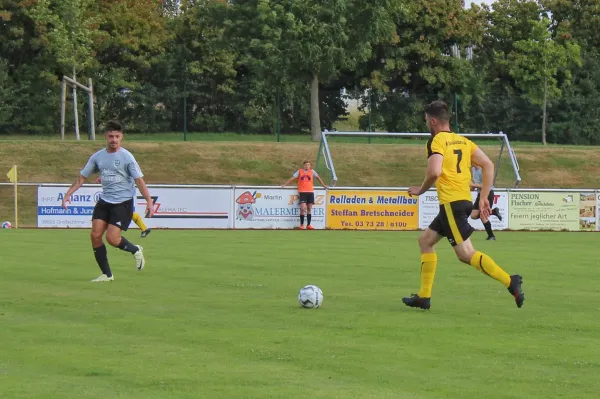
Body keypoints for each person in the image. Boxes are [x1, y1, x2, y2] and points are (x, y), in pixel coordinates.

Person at [404, 100, 524, 310]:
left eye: (426, 121)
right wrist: (484, 196)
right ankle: (424, 297)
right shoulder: (463, 141)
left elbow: (434, 172)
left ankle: (509, 281)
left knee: (466, 254)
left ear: (433, 121)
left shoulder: (436, 141)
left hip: (451, 203)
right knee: (425, 241)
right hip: (461, 202)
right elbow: (488, 164)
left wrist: (420, 190)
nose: (426, 125)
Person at [62, 120, 154, 282]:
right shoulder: (98, 157)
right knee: (95, 235)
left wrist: (149, 201)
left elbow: (139, 181)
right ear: (105, 136)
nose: (114, 139)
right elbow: (82, 178)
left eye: (117, 136)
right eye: (111, 136)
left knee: (112, 239)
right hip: (105, 201)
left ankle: (135, 250)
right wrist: (68, 194)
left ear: (121, 137)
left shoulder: (127, 157)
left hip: (123, 203)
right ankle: (107, 274)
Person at [281, 160, 328, 230]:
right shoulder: (300, 171)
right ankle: (302, 225)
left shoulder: (312, 171)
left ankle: (308, 225)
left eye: (308, 165)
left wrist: (323, 185)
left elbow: (318, 177)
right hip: (303, 192)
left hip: (310, 192)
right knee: (303, 208)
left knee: (309, 208)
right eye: (306, 165)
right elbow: (292, 178)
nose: (307, 166)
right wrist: (285, 184)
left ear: (310, 166)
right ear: (304, 165)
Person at [470, 164, 502, 240]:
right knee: (473, 215)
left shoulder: (483, 170)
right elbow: (474, 186)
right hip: (480, 194)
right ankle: (493, 211)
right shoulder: (473, 169)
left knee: (482, 215)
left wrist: (473, 184)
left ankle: (491, 236)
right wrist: (470, 186)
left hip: (487, 193)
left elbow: (487, 186)